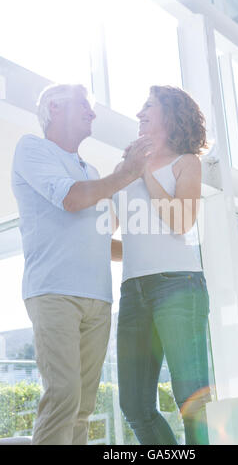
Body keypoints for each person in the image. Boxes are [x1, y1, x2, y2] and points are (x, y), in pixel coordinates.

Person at [11, 83, 151, 445]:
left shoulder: (90, 170)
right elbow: (71, 200)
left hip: (99, 298)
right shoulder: (32, 149)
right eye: (84, 106)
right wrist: (126, 173)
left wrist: (153, 252)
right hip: (54, 291)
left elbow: (102, 235)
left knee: (84, 406)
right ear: (55, 108)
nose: (92, 113)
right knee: (63, 397)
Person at [113, 85, 211, 445]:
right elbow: (109, 237)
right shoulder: (124, 169)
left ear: (171, 114)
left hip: (178, 285)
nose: (139, 113)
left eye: (148, 105)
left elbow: (181, 221)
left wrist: (145, 173)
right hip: (133, 292)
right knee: (135, 406)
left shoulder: (187, 162)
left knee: (192, 402)